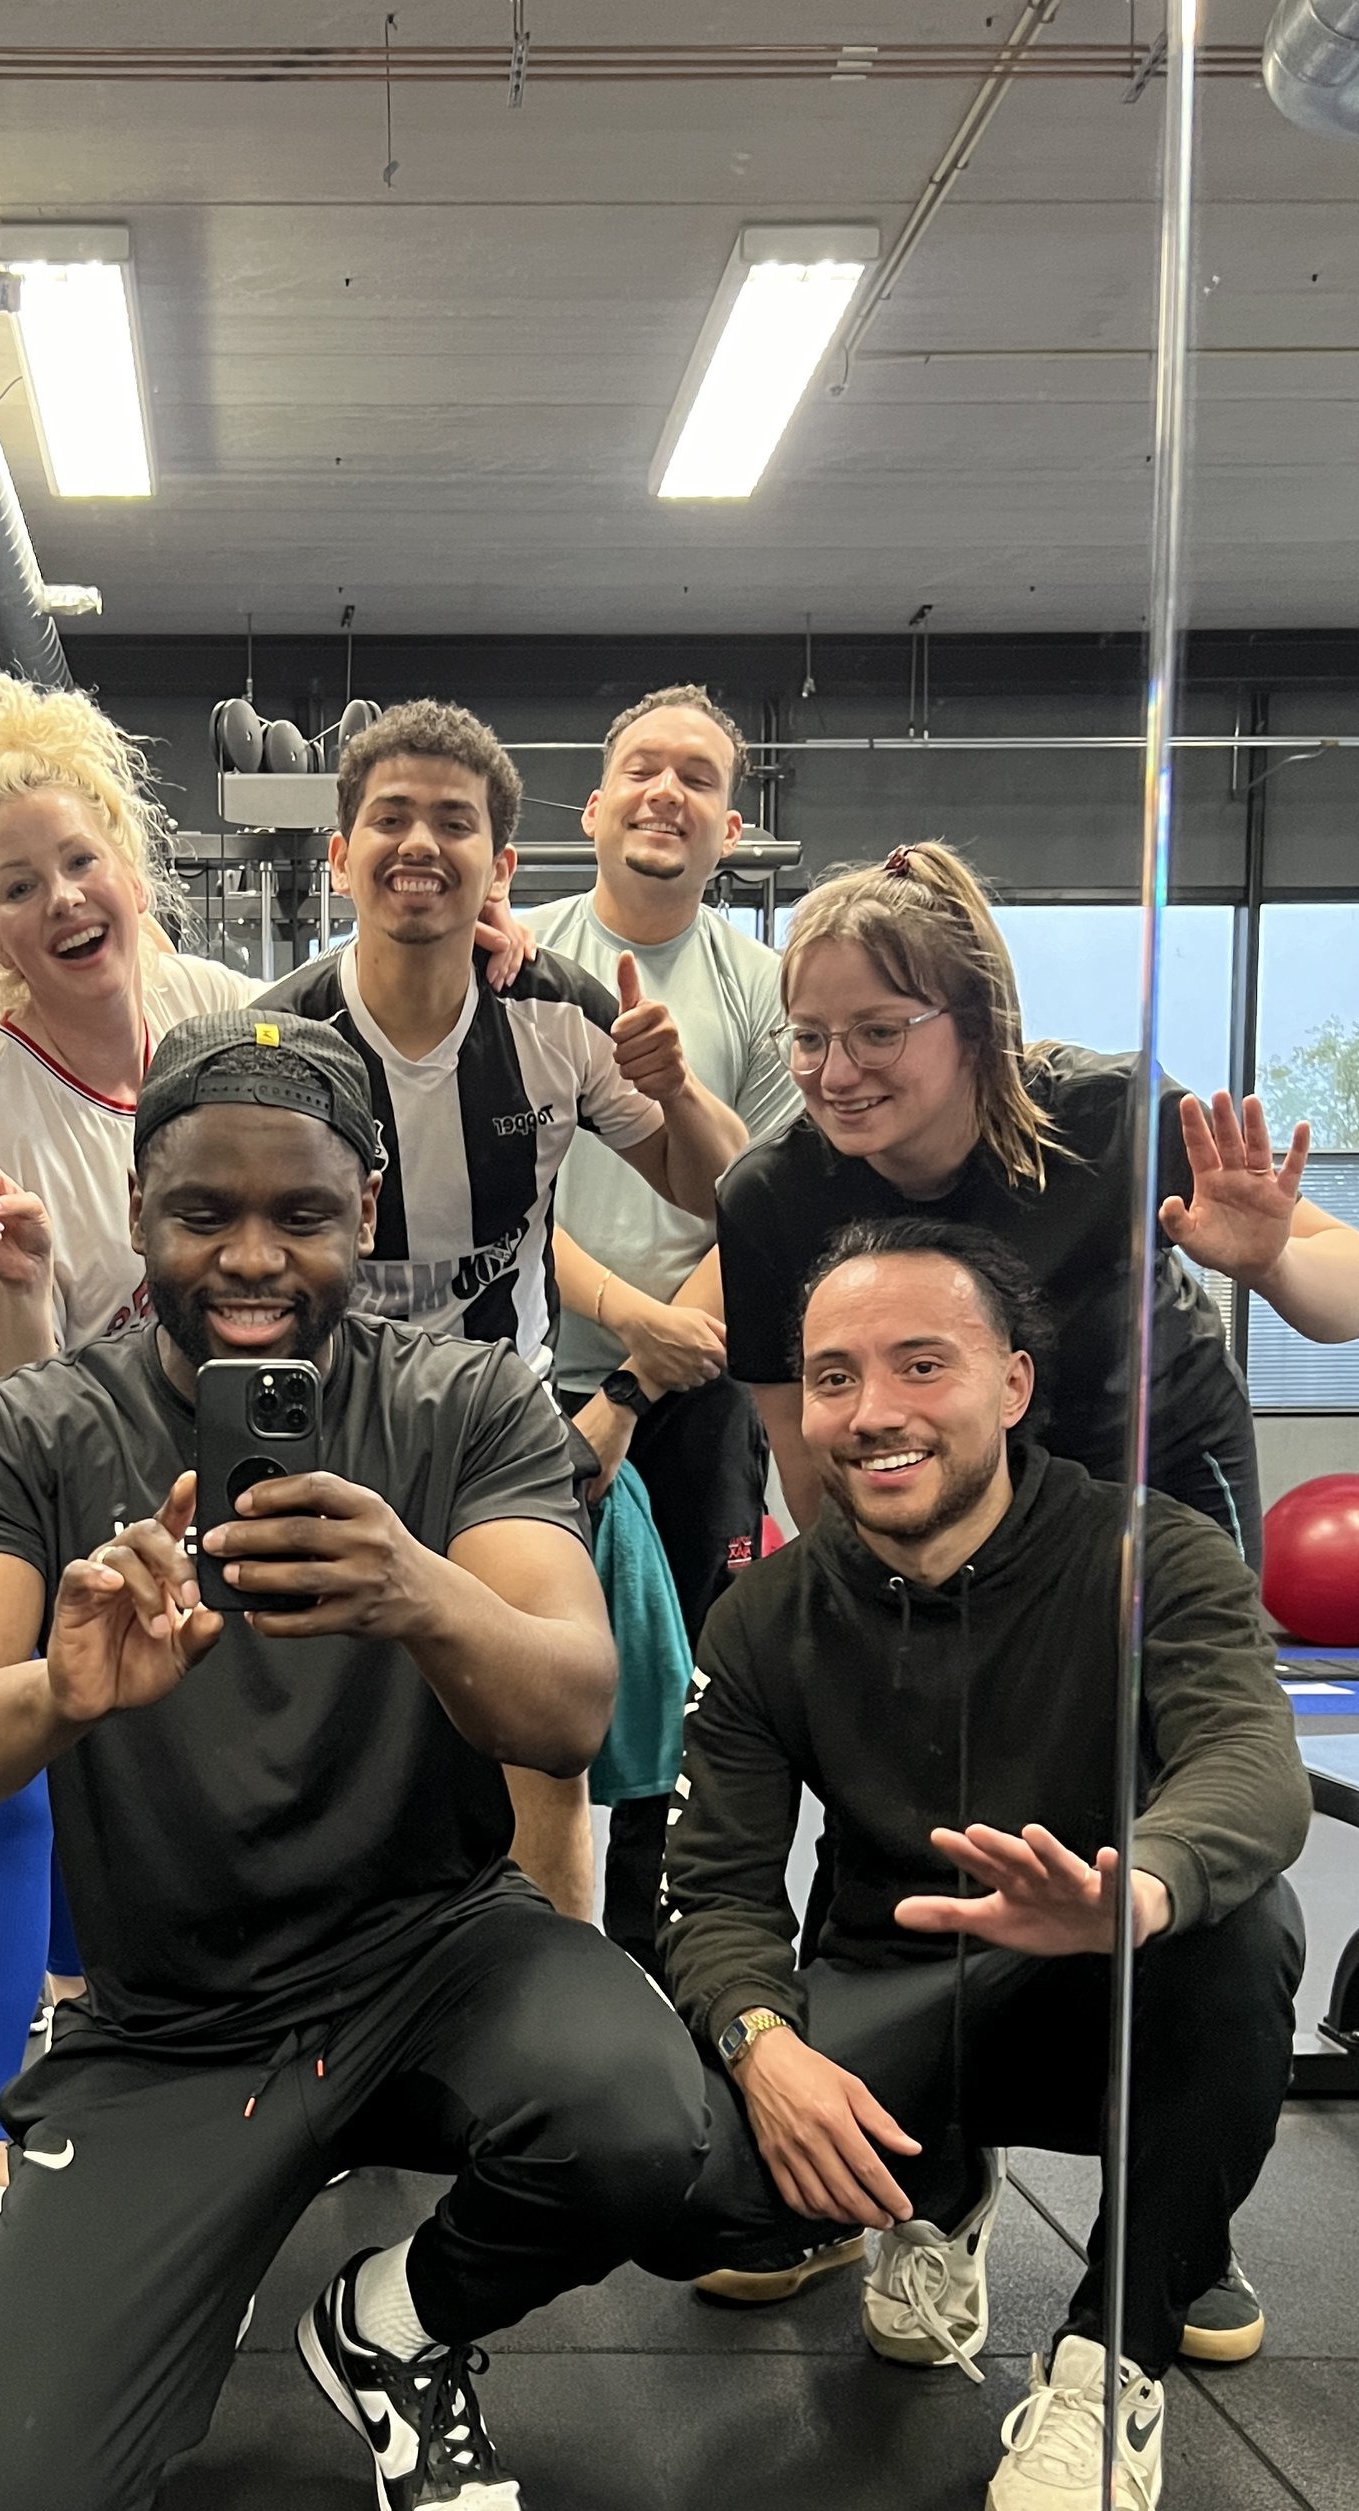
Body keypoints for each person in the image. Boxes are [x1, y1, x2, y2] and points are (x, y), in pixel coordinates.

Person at [0, 1009, 710, 2511]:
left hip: (435, 1960)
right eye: (203, 1210)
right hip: (183, 2020)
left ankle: (392, 2321)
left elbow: (573, 1702)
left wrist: (420, 1594)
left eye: (302, 1212)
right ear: (140, 1203)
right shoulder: (39, 1433)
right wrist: (60, 1690)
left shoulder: (468, 1407)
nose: (252, 1253)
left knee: (661, 2137)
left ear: (368, 1211)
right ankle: (193, 2247)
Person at [654, 1219, 1309, 2511]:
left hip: (1106, 1985)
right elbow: (712, 1884)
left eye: (920, 1365)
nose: (873, 1411)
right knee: (703, 2194)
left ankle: (1110, 2359)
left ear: (1012, 1383)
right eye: (833, 1377)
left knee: (1240, 1930)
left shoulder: (1158, 1555)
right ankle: (937, 2195)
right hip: (897, 1989)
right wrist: (761, 2049)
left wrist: (1139, 1889)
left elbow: (1252, 1770)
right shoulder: (764, 1615)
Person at [0, 671, 258, 2328]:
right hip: (15, 1444)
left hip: (199, 1454)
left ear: (133, 861)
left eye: (77, 860)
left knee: (213, 1797)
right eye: (15, 885)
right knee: (12, 1781)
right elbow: (0, 1388)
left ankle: (194, 2137)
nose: (59, 899)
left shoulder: (242, 1013)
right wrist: (24, 1276)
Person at [254, 696, 751, 1916]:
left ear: (502, 866)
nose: (420, 843)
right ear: (339, 854)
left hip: (500, 1431)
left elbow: (721, 1183)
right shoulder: (277, 1033)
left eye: (454, 822)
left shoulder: (565, 1015)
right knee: (318, 1758)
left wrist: (674, 1092)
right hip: (324, 1426)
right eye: (390, 818)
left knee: (544, 1750)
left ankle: (552, 2028)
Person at [717, 839, 1359, 1567]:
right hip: (948, 1485)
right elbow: (809, 1460)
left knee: (1178, 1675)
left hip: (1153, 1460)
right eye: (810, 1038)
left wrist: (1274, 1264)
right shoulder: (767, 1198)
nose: (837, 1073)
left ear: (977, 1026)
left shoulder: (1114, 1121)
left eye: (879, 1033)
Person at [523, 684, 802, 1959]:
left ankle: (652, 1966)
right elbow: (490, 1193)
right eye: (643, 767)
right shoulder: (515, 958)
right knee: (500, 1666)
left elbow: (759, 1204)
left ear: (728, 826)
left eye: (696, 777)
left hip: (695, 1392)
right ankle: (493, 1952)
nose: (665, 792)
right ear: (593, 805)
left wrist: (642, 1377)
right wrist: (624, 1324)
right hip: (515, 1375)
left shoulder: (763, 988)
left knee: (685, 1682)